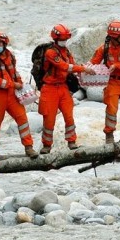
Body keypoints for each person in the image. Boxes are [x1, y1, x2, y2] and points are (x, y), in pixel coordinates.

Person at [0, 31, 36, 158]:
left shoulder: (10, 55)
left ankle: (29, 147)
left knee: (22, 119)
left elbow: (14, 72)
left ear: (4, 43)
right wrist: (14, 85)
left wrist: (20, 82)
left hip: (11, 94)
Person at [33, 24, 79, 153]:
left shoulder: (66, 51)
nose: (64, 41)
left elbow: (72, 65)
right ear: (56, 38)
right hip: (49, 89)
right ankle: (46, 145)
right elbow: (65, 67)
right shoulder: (50, 52)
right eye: (62, 38)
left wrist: (82, 70)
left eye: (66, 38)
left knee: (69, 116)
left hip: (63, 87)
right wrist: (83, 69)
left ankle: (72, 141)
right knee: (49, 119)